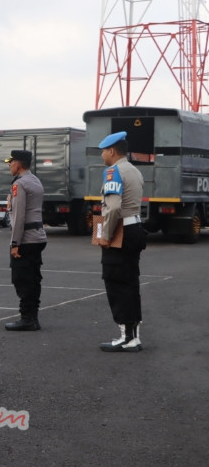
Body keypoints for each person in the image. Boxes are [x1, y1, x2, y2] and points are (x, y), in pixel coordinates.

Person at [97, 131, 147, 352]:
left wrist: (105, 236)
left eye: (103, 151)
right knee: (130, 282)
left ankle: (125, 337)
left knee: (116, 282)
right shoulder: (134, 170)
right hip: (135, 227)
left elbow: (114, 207)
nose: (102, 156)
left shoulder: (113, 171)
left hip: (121, 231)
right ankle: (133, 336)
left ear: (111, 151)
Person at [4, 149, 47, 331]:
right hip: (38, 236)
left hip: (26, 239)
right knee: (33, 278)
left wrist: (15, 244)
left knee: (22, 279)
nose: (9, 165)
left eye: (11, 162)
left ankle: (27, 319)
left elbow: (19, 217)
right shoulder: (35, 180)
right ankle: (32, 317)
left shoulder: (20, 184)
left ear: (18, 164)